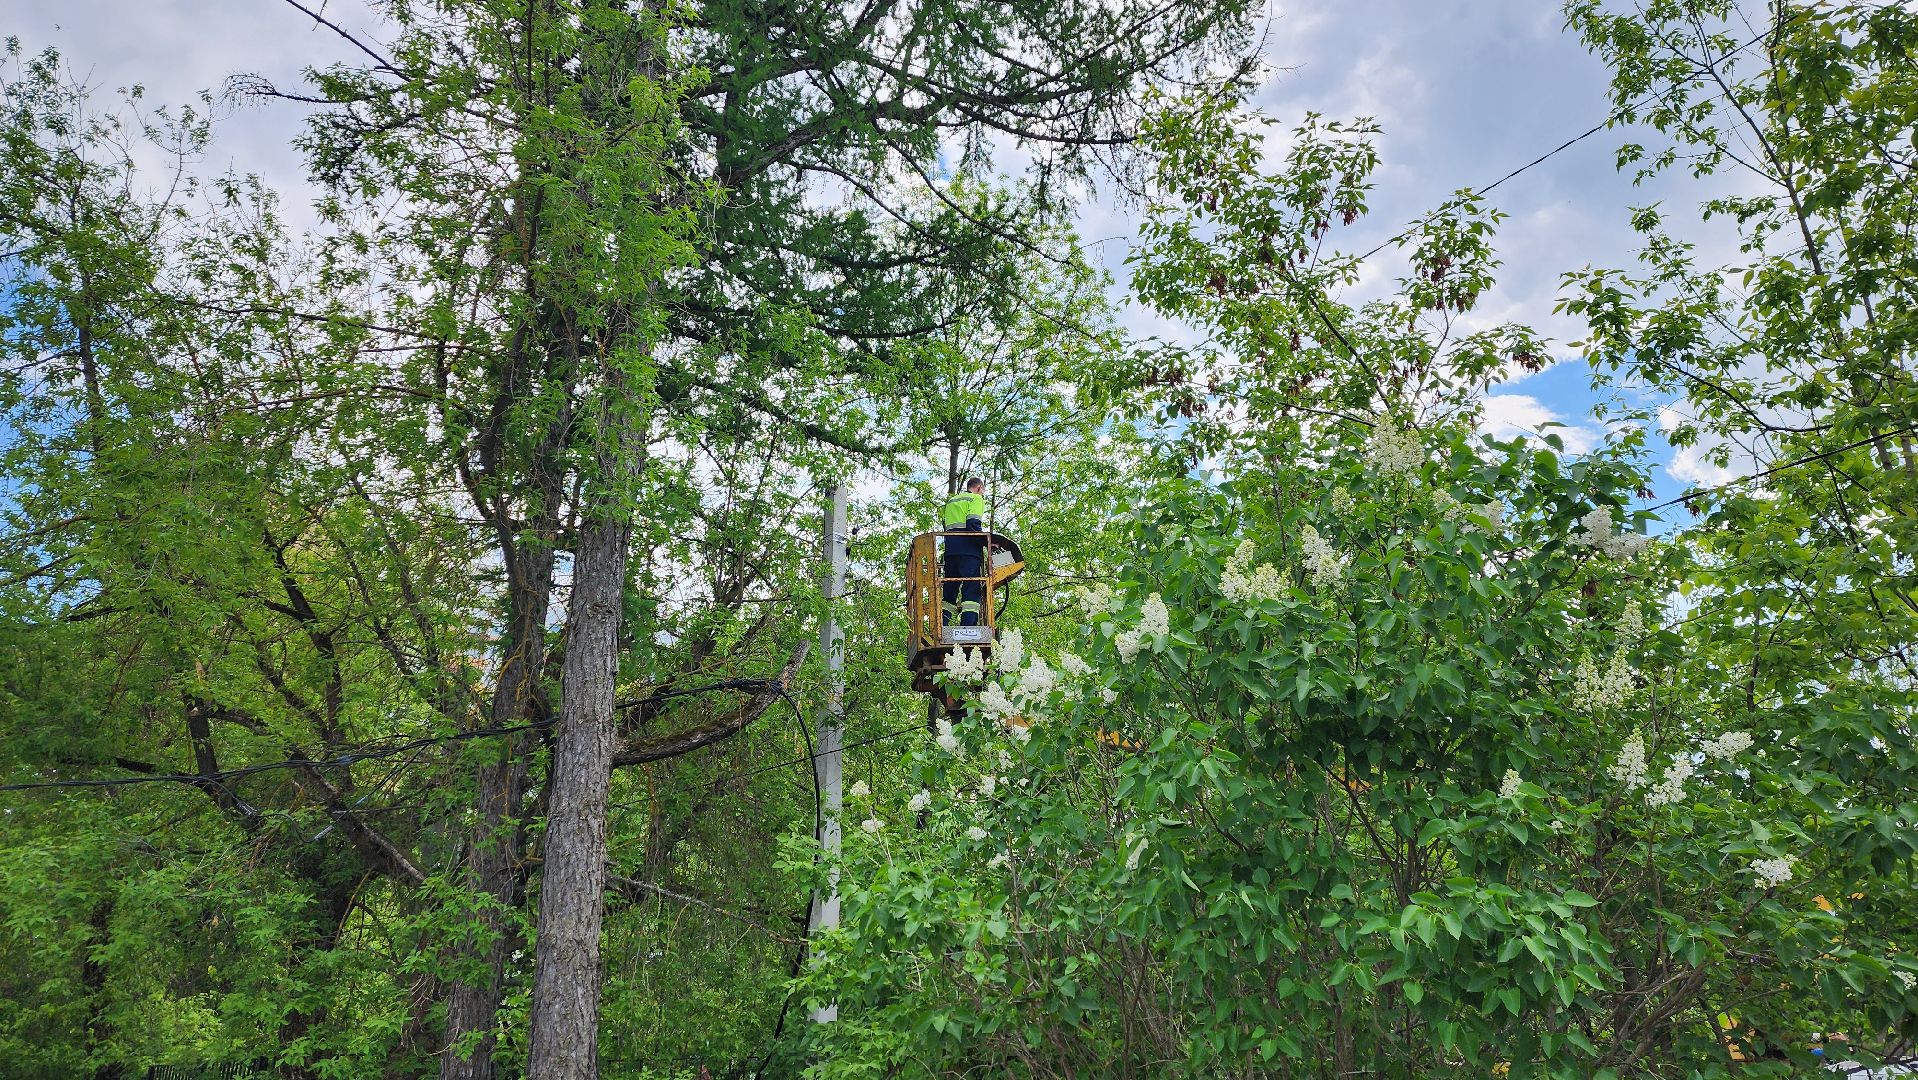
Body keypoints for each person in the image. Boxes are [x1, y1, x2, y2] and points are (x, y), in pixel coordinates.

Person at [941, 478, 987, 627]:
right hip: (969, 552)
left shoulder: (951, 502)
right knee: (971, 590)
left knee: (949, 592)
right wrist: (987, 544)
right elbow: (973, 524)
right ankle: (969, 628)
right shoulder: (976, 498)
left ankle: (942, 626)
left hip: (950, 552)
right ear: (979, 488)